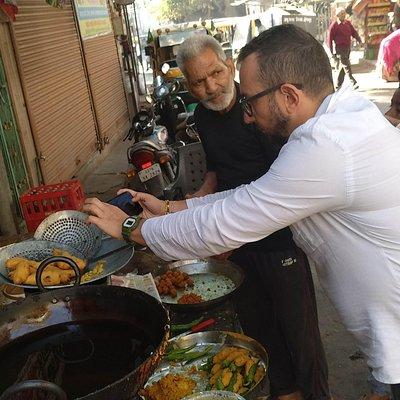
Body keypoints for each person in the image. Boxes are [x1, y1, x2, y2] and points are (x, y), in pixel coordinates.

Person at [83, 25, 400, 399]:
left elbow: (231, 220)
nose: (246, 115)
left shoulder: (324, 146)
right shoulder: (344, 116)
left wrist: (133, 228)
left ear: (288, 95)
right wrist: (169, 211)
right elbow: (246, 196)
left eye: (250, 101)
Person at [175, 35, 330, 400]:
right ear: (188, 84)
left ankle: (319, 394)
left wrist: (213, 223)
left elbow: (281, 181)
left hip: (279, 238)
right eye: (198, 81)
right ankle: (285, 391)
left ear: (229, 65)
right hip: (236, 239)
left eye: (215, 72)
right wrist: (198, 199)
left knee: (300, 330)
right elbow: (217, 169)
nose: (211, 86)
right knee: (258, 325)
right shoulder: (201, 117)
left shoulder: (262, 107)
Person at [327, 7, 362, 89]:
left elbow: (354, 32)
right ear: (337, 15)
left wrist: (359, 40)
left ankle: (338, 84)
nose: (343, 15)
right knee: (347, 65)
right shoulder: (334, 25)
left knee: (343, 66)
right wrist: (332, 52)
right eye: (341, 13)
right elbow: (329, 39)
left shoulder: (348, 23)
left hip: (347, 47)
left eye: (344, 13)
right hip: (340, 48)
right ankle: (353, 82)